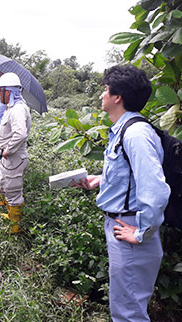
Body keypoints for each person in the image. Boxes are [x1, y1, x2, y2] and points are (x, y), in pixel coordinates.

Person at [74, 65, 170, 321]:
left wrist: (141, 233)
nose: (101, 95)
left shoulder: (136, 134)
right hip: (122, 225)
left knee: (128, 314)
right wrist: (101, 180)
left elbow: (155, 191)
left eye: (105, 90)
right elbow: (131, 177)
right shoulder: (124, 130)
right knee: (126, 306)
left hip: (129, 229)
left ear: (118, 97)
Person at [0, 72, 32, 233]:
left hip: (13, 158)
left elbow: (20, 134)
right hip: (7, 158)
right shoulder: (12, 108)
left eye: (0, 91)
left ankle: (15, 227)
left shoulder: (17, 110)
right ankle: (11, 216)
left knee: (13, 190)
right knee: (5, 185)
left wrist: (8, 150)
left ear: (7, 92)